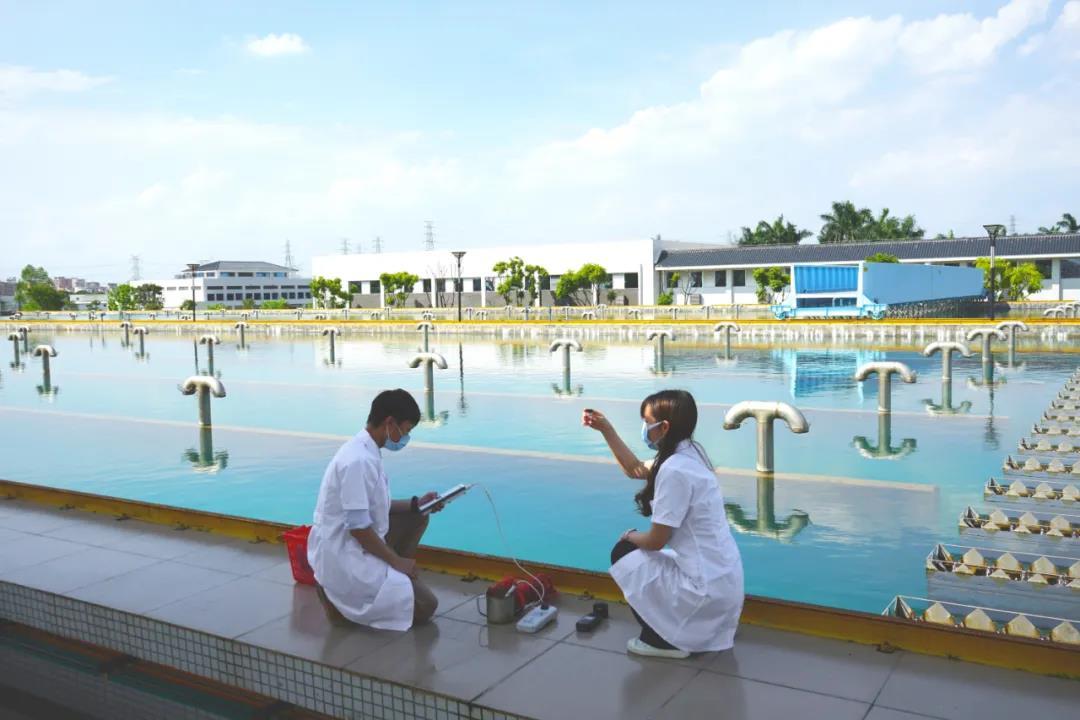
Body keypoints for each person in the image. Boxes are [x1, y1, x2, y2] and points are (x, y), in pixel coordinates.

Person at [583, 389, 744, 659]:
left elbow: (656, 541)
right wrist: (606, 429)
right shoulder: (690, 454)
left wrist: (630, 536)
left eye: (647, 422)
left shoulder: (674, 470)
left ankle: (664, 641)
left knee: (623, 552)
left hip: (706, 589)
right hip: (723, 581)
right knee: (652, 556)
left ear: (664, 427)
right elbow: (635, 469)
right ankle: (699, 626)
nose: (644, 429)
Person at [308, 388, 443, 630]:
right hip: (345, 553)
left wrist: (416, 504)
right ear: (389, 423)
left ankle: (393, 574)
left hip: (359, 541)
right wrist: (396, 561)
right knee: (426, 606)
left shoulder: (367, 450)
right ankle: (335, 598)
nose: (405, 438)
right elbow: (359, 528)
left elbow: (374, 506)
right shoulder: (357, 461)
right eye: (405, 430)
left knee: (417, 516)